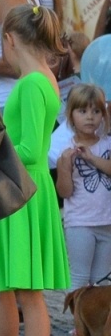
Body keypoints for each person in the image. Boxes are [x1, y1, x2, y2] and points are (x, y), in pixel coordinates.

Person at [0, 4, 70, 336]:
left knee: (29, 294)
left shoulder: (33, 82)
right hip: (20, 191)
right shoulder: (39, 79)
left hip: (23, 191)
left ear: (10, 40)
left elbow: (33, 150)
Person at [55, 83, 111, 291]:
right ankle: (77, 313)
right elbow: (65, 192)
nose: (90, 117)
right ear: (71, 115)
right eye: (83, 111)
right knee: (79, 277)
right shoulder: (66, 149)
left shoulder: (107, 144)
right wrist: (64, 167)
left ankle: (98, 314)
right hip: (80, 222)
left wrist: (92, 158)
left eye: (96, 111)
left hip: (107, 221)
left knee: (102, 281)